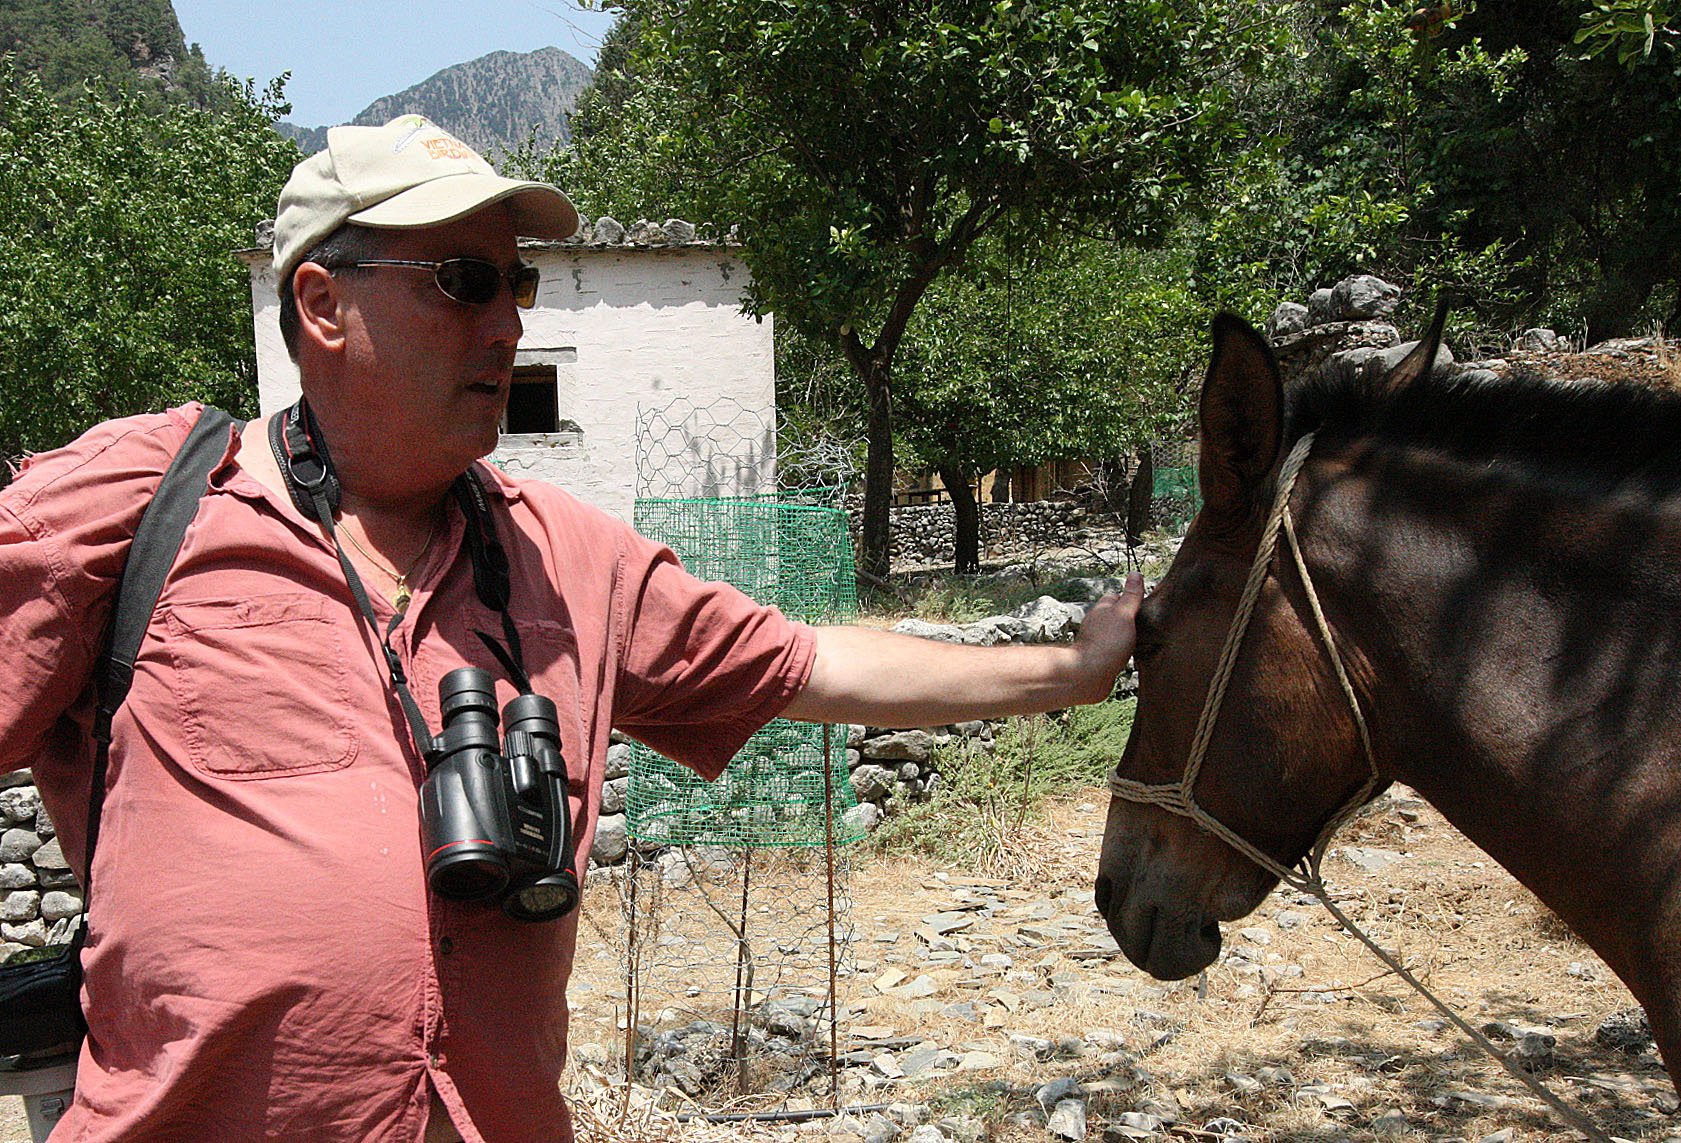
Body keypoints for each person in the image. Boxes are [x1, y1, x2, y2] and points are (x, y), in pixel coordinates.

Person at [0, 115, 1142, 1142]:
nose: (506, 322)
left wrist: (1067, 670)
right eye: (460, 279)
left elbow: (811, 661)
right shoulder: (145, 502)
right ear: (321, 304)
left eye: (518, 282)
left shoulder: (571, 559)